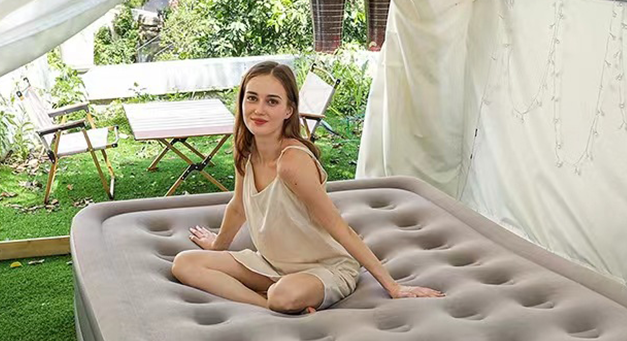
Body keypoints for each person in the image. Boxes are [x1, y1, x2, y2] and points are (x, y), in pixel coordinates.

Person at [172, 61, 444, 314]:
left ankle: (277, 301)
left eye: (272, 101)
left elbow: (339, 227)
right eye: (252, 98)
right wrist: (217, 246)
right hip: (271, 264)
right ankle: (265, 304)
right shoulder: (247, 151)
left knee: (283, 295)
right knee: (185, 263)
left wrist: (393, 287)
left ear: (288, 110)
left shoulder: (292, 162)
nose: (258, 109)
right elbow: (238, 207)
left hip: (324, 268)